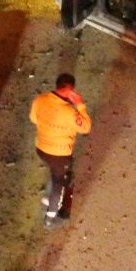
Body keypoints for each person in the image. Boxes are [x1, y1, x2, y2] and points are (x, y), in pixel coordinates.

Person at [29, 72, 91, 227]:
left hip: (42, 149)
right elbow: (85, 127)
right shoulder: (69, 112)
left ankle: (47, 199)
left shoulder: (40, 100)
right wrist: (80, 105)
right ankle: (51, 216)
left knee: (54, 173)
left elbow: (33, 119)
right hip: (59, 154)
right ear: (70, 89)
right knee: (60, 183)